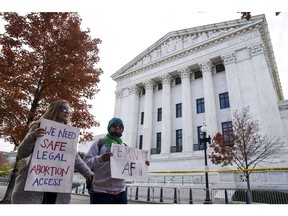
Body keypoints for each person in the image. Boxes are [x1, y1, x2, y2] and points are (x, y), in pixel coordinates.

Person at [11, 99, 94, 204]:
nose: (67, 112)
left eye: (69, 110)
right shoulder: (38, 128)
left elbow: (73, 156)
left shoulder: (68, 134)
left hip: (56, 188)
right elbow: (21, 153)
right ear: (55, 110)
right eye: (64, 108)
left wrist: (88, 174)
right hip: (33, 185)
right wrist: (32, 137)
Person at [84, 117, 149, 204]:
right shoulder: (99, 144)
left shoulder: (125, 147)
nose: (118, 128)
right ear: (109, 128)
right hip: (100, 192)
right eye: (115, 125)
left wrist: (142, 164)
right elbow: (86, 163)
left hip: (121, 193)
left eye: (120, 126)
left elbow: (130, 167)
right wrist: (101, 159)